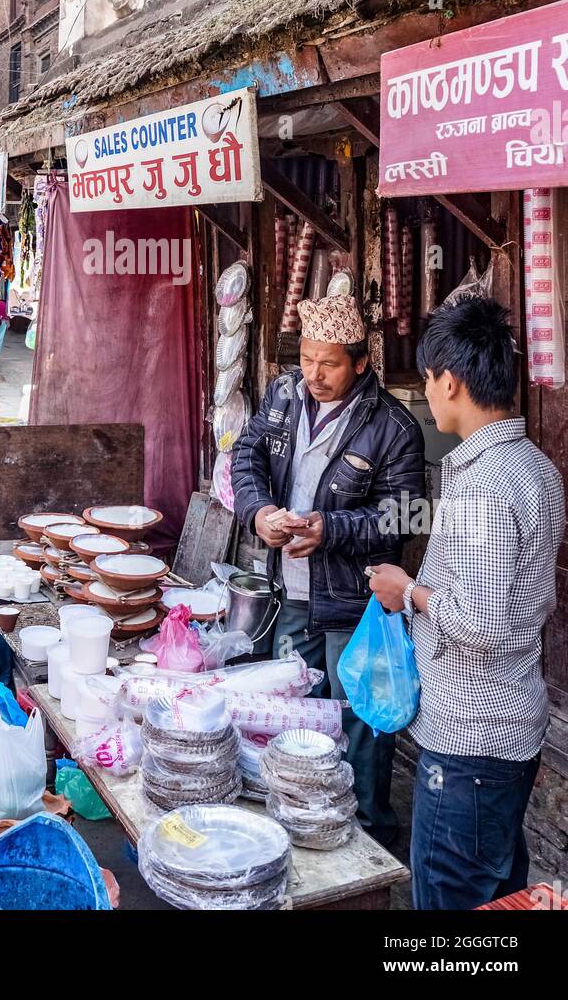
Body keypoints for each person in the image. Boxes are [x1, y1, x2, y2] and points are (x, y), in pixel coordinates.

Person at [368, 295, 564, 909]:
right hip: (509, 730)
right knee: (498, 897)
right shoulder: (535, 467)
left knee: (450, 908)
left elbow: (480, 621)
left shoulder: (484, 483)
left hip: (468, 743)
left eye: (428, 380)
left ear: (448, 381)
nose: (427, 393)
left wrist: (410, 592)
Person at [231, 295, 425, 845]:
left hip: (353, 604)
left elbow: (404, 516)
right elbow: (247, 458)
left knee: (358, 722)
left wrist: (330, 530)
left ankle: (368, 843)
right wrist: (260, 512)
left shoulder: (393, 427)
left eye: (330, 363)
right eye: (308, 360)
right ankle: (300, 826)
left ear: (361, 362)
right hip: (289, 594)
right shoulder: (282, 396)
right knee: (293, 715)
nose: (314, 375)